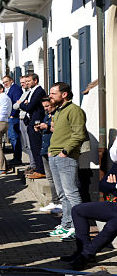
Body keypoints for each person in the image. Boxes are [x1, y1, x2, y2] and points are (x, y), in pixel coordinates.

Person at [46, 81, 87, 240]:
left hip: (66, 157)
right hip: (55, 155)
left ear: (64, 94)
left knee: (72, 193)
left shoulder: (74, 110)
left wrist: (65, 151)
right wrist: (51, 151)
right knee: (62, 194)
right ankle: (66, 225)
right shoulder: (59, 111)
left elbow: (79, 134)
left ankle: (79, 228)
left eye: (53, 93)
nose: (50, 96)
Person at [20, 74, 47, 178]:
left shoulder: (39, 91)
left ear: (35, 81)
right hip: (30, 121)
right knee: (32, 146)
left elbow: (29, 106)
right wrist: (24, 104)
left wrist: (24, 104)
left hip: (36, 121)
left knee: (36, 146)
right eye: (25, 81)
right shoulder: (31, 91)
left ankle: (41, 170)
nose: (26, 83)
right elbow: (23, 103)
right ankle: (38, 168)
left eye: (29, 81)